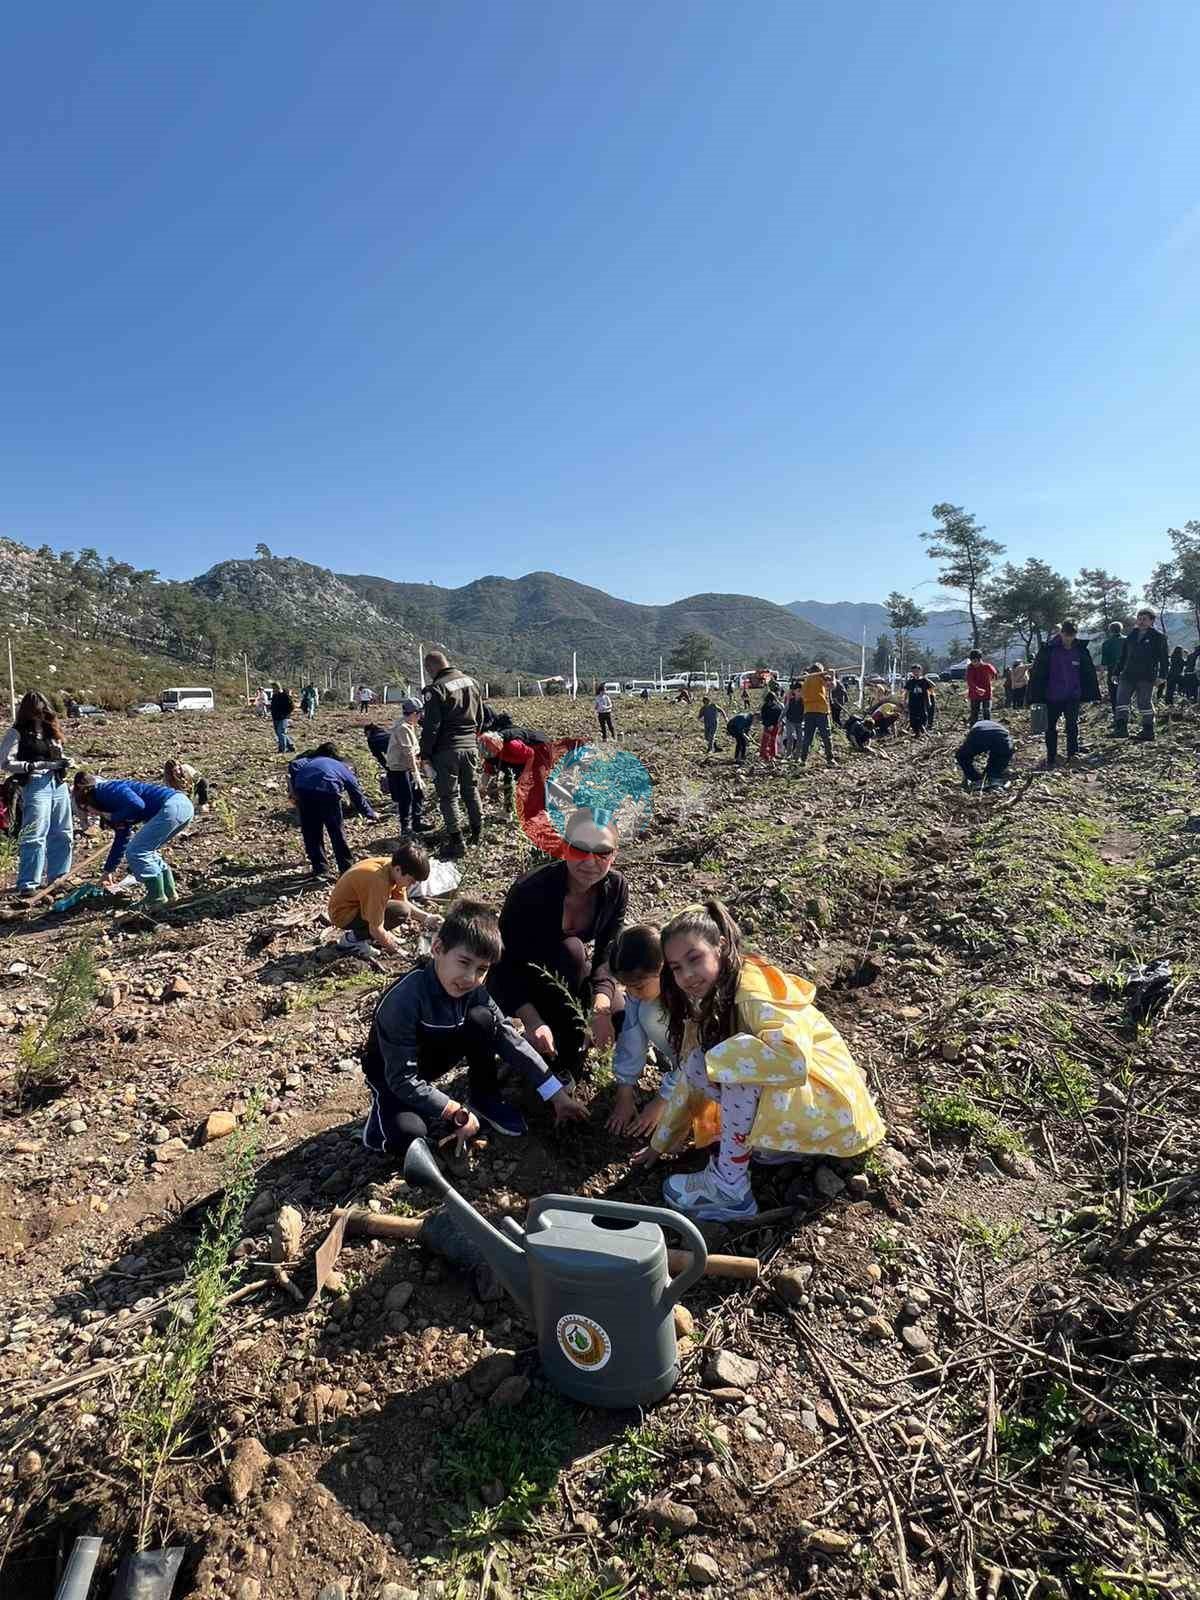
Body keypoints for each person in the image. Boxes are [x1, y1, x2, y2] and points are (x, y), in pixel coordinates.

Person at [630, 901, 885, 1221]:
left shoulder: (752, 990)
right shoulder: (717, 992)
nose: (687, 975)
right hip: (810, 1111)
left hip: (838, 1117)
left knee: (733, 1062)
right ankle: (771, 1150)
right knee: (702, 1060)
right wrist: (660, 1143)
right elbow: (692, 1074)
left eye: (694, 958)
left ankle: (730, 1191)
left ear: (720, 946)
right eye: (677, 967)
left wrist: (723, 1060)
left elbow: (794, 1061)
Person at [361, 899, 588, 1151]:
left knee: (483, 1019)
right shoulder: (404, 1000)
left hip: (432, 1060)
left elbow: (509, 1038)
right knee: (410, 1136)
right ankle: (381, 1119)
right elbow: (402, 1078)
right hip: (392, 1074)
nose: (471, 978)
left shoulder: (475, 991)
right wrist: (454, 1111)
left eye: (482, 969)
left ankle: (484, 1098)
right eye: (463, 962)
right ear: (437, 948)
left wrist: (556, 1094)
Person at [488, 809, 627, 1081]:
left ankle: (573, 1044)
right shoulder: (530, 890)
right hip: (521, 976)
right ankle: (541, 1048)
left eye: (602, 852)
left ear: (614, 854)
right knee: (572, 952)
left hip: (568, 970)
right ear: (564, 848)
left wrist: (600, 1008)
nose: (590, 861)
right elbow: (504, 963)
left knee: (621, 1016)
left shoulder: (615, 888)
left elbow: (607, 953)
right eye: (579, 849)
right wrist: (531, 1019)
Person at [73, 771, 193, 905]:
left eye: (87, 809)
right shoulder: (111, 807)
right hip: (181, 807)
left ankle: (156, 897)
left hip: (172, 805)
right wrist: (108, 871)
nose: (91, 813)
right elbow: (121, 839)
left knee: (137, 851)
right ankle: (170, 895)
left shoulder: (106, 790)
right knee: (146, 850)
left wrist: (112, 816)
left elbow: (137, 804)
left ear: (87, 797)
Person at [607, 925, 680, 1137]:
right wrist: (624, 1094)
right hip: (683, 1066)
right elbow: (632, 1039)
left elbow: (695, 1055)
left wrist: (661, 1102)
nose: (631, 993)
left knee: (649, 1012)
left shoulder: (688, 994)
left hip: (714, 1071)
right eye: (625, 987)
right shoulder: (640, 997)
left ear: (663, 968)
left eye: (638, 986)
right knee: (644, 1011)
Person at [0, 691, 73, 897]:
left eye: (44, 711)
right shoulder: (17, 733)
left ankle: (58, 877)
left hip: (58, 782)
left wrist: (66, 761)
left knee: (63, 831)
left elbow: (58, 753)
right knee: (34, 834)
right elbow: (4, 762)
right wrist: (31, 766)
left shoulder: (51, 731)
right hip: (35, 784)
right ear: (29, 712)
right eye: (37, 712)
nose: (41, 716)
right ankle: (28, 883)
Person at [419, 650, 483, 859]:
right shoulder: (472, 682)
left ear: (431, 668)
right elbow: (480, 717)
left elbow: (432, 727)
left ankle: (457, 842)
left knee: (448, 797)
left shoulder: (436, 689)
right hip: (470, 747)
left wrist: (425, 753)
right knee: (471, 791)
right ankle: (477, 834)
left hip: (447, 751)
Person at [328, 841, 441, 954]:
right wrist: (397, 950)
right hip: (342, 914)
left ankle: (376, 936)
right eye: (411, 881)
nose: (411, 885)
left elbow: (403, 901)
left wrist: (427, 918)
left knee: (401, 909)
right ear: (398, 870)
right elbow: (375, 928)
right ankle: (351, 940)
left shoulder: (393, 867)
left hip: (358, 905)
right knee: (399, 911)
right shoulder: (378, 881)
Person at [288, 741, 378, 877]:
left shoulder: (307, 760)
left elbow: (293, 765)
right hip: (328, 792)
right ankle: (346, 868)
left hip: (304, 791)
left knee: (312, 832)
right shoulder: (342, 768)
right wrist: (370, 813)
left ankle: (321, 870)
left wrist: (294, 789)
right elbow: (356, 794)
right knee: (336, 831)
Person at [1027, 619, 1100, 769]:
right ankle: (1051, 757)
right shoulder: (1049, 650)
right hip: (1051, 696)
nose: (1068, 637)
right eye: (1066, 634)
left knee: (1072, 726)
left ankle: (1072, 755)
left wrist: (1089, 693)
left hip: (1073, 695)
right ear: (1061, 633)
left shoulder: (1080, 650)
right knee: (1050, 727)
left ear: (1075, 634)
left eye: (1072, 634)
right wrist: (1034, 696)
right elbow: (1037, 674)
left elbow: (1088, 673)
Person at [1113, 609, 1169, 742]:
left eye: (1145, 619)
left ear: (1151, 621)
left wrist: (1162, 676)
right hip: (1127, 675)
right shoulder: (1131, 636)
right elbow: (1123, 656)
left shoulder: (1158, 637)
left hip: (1146, 676)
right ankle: (1121, 729)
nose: (1141, 621)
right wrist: (1116, 672)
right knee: (1121, 701)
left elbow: (1164, 659)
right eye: (1139, 618)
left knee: (1144, 703)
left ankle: (1148, 730)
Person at [384, 698, 426, 835]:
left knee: (418, 794)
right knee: (406, 797)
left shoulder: (410, 725)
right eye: (419, 713)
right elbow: (409, 754)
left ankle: (417, 823)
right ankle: (405, 827)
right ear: (414, 713)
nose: (421, 716)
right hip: (399, 769)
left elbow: (414, 752)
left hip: (407, 767)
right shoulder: (403, 728)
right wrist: (416, 774)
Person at [955, 720, 1015, 791]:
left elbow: (966, 751)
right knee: (998, 760)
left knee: (962, 756)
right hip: (1004, 739)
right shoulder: (997, 725)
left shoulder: (977, 725)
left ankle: (976, 779)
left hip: (980, 734)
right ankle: (992, 779)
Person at [800, 663, 836, 767]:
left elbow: (803, 695)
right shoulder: (819, 679)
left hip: (808, 711)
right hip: (821, 711)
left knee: (807, 737)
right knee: (826, 736)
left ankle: (803, 759)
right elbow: (832, 686)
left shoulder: (806, 681)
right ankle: (830, 759)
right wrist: (833, 675)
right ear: (819, 670)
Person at [966, 651, 997, 724]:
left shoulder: (987, 666)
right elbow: (969, 681)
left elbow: (995, 674)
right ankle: (973, 728)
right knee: (974, 712)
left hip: (986, 693)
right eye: (972, 661)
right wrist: (977, 689)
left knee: (986, 711)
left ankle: (988, 727)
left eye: (976, 661)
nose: (974, 663)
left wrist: (992, 679)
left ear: (980, 660)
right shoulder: (970, 668)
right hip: (974, 693)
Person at [1099, 624, 1124, 714]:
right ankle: (1126, 715)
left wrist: (1101, 675)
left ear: (1110, 630)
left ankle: (1116, 716)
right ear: (1121, 629)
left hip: (1112, 672)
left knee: (1114, 695)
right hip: (1127, 671)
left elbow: (1104, 662)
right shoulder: (1127, 640)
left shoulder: (1106, 643)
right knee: (1125, 694)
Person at [904, 668, 936, 737]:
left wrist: (929, 701)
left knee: (923, 716)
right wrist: (905, 701)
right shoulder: (910, 682)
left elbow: (932, 687)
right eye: (914, 671)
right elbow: (906, 692)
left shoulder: (924, 681)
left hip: (922, 702)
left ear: (920, 672)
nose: (916, 673)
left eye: (917, 671)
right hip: (912, 702)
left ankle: (922, 730)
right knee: (913, 717)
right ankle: (916, 732)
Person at [269, 682, 296, 753]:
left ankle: (282, 749)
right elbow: (273, 706)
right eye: (272, 688)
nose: (273, 690)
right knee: (279, 733)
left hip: (283, 718)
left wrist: (286, 714)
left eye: (274, 688)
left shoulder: (284, 695)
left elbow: (292, 706)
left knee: (281, 733)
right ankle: (290, 745)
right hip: (275, 717)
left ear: (278, 688)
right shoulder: (275, 696)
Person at [782, 682, 804, 760]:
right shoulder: (791, 700)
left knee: (800, 739)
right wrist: (780, 719)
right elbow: (785, 710)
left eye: (801, 691)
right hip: (790, 720)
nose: (800, 693)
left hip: (799, 721)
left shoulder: (803, 701)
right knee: (790, 737)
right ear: (794, 691)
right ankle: (788, 754)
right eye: (798, 691)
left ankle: (797, 755)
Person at [759, 690, 783, 761]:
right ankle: (768, 756)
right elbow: (764, 717)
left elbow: (764, 717)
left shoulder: (766, 707)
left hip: (771, 726)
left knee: (768, 741)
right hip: (772, 726)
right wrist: (771, 725)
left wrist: (770, 725)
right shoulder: (776, 707)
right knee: (770, 740)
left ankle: (768, 755)